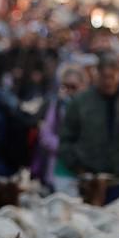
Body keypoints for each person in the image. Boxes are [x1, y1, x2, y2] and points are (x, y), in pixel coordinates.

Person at [57, 53, 119, 202]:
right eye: (104, 77)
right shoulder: (81, 102)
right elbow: (66, 138)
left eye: (112, 77)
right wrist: (76, 165)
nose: (108, 82)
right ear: (97, 76)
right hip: (89, 179)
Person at [33, 65, 85, 195]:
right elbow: (45, 134)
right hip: (58, 168)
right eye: (65, 86)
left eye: (73, 87)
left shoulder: (88, 107)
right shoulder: (56, 105)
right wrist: (62, 146)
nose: (69, 90)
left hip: (81, 169)